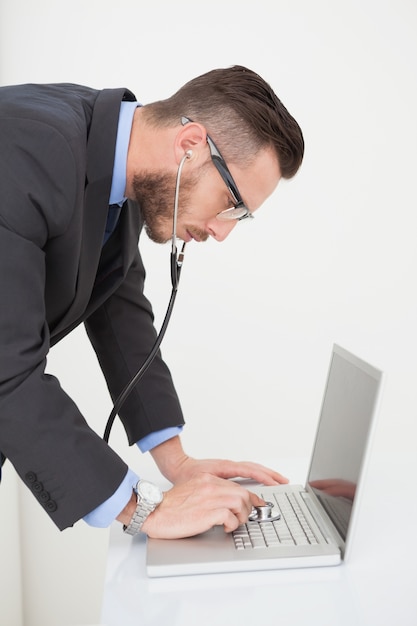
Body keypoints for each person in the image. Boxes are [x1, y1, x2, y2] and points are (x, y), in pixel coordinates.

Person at [0, 65, 304, 539]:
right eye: (232, 204)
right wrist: (145, 509)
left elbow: (118, 306)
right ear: (190, 146)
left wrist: (177, 461)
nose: (222, 232)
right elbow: (4, 367)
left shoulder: (115, 163)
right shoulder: (28, 150)